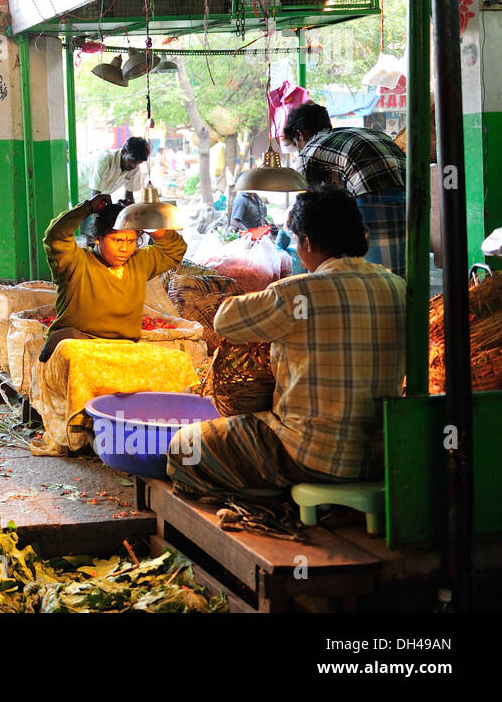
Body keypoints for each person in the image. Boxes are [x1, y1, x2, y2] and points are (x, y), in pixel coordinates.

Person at [166, 187, 406, 499]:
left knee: (184, 447)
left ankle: (274, 492)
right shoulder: (397, 287)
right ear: (362, 235)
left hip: (307, 455)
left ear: (306, 242)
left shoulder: (297, 292)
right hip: (380, 457)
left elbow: (225, 321)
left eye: (295, 239)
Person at [39, 193, 187, 362]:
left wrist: (152, 226)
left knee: (177, 364)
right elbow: (56, 235)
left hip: (123, 348)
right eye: (117, 240)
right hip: (78, 343)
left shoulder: (140, 262)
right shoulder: (74, 262)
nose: (124, 248)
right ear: (97, 239)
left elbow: (175, 250)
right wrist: (87, 207)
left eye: (131, 241)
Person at [283, 102, 406, 278]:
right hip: (409, 192)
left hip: (372, 193)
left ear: (301, 134)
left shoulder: (310, 150)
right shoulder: (356, 132)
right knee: (402, 266)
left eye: (296, 144)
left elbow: (306, 210)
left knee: (376, 274)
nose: (299, 150)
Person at [87, 137, 150, 204]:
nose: (133, 166)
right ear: (123, 152)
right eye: (132, 161)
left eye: (139, 162)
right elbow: (95, 197)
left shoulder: (135, 168)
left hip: (95, 200)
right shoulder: (105, 160)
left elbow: (129, 197)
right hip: (79, 196)